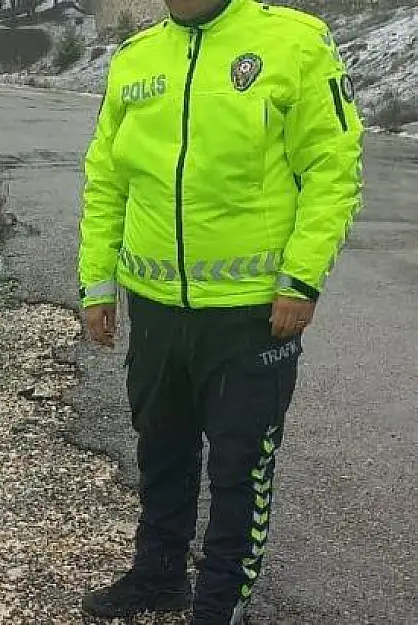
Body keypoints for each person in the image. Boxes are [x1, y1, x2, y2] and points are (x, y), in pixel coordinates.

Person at [76, 0, 364, 624]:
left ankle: (221, 601)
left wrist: (301, 278)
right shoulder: (133, 58)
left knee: (241, 466)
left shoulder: (295, 42)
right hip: (155, 310)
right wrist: (96, 286)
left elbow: (332, 169)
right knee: (162, 450)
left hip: (251, 313)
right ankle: (158, 575)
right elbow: (107, 180)